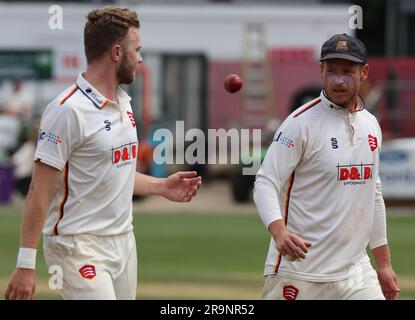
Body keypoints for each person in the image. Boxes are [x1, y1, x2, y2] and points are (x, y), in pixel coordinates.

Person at [5, 7, 202, 300]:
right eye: (137, 49)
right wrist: (25, 264)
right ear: (116, 52)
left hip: (124, 242)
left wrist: (161, 186)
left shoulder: (123, 102)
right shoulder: (67, 110)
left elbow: (114, 173)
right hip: (77, 247)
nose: (140, 58)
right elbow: (38, 190)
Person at [253, 33, 400, 300]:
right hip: (299, 272)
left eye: (347, 72)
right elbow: (265, 181)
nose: (338, 80)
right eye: (331, 71)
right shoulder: (299, 124)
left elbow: (373, 195)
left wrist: (384, 264)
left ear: (364, 72)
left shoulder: (370, 125)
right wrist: (279, 232)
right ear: (321, 70)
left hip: (355, 272)